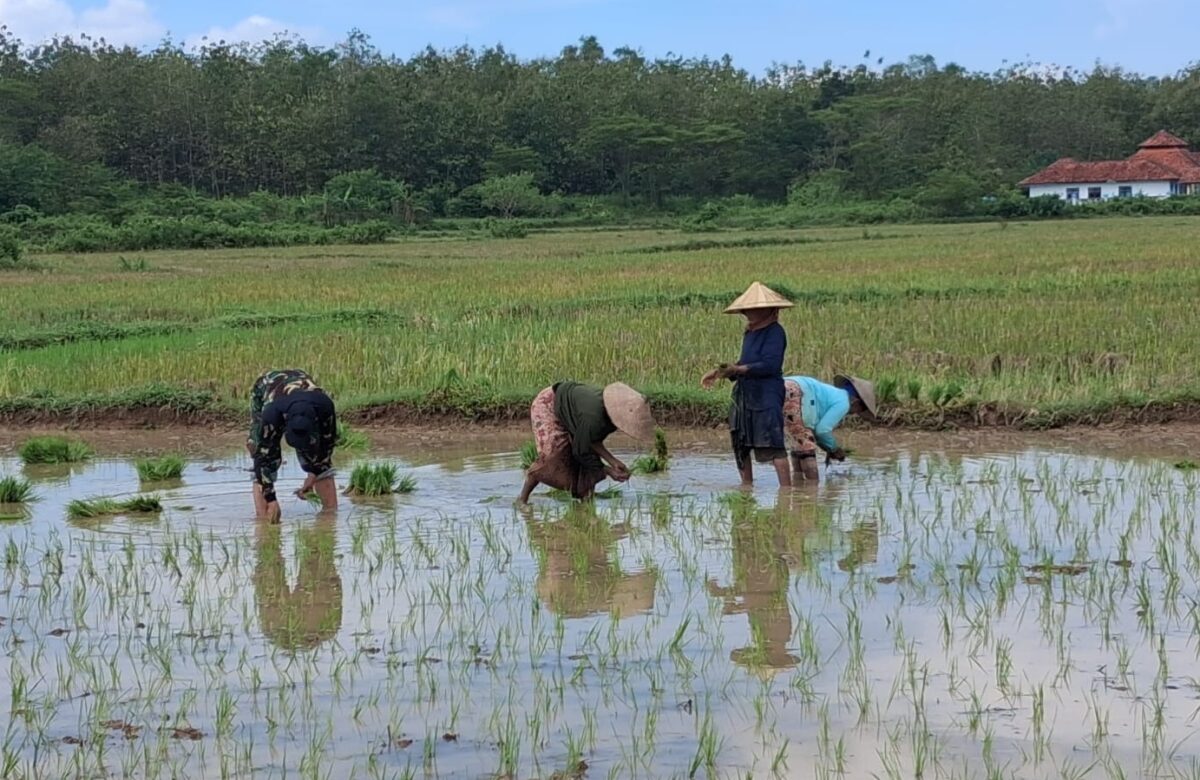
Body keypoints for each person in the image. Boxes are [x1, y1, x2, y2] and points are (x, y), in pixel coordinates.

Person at [701, 282, 793, 487]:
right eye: (747, 309)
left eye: (754, 309)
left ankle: (787, 492)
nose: (748, 313)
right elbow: (745, 362)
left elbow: (770, 365)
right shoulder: (749, 333)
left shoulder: (775, 332)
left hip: (766, 393)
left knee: (773, 442)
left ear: (768, 310)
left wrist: (738, 369)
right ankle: (746, 487)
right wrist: (720, 372)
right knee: (740, 441)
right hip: (744, 394)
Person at [517, 381, 657, 505]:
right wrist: (607, 470)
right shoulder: (593, 417)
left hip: (572, 414)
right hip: (548, 406)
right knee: (553, 457)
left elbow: (591, 440)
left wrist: (613, 461)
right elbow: (580, 450)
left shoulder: (608, 419)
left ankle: (584, 505)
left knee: (589, 462)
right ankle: (523, 498)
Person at [247, 369, 338, 522]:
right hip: (267, 387)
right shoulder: (271, 414)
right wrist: (271, 499)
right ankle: (265, 519)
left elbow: (326, 447)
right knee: (261, 454)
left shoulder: (325, 407)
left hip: (303, 388)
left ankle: (330, 517)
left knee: (319, 460)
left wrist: (313, 474)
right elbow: (262, 460)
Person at [782, 374, 877, 481]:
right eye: (859, 410)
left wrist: (827, 447)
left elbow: (817, 432)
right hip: (798, 391)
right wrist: (834, 449)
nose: (854, 413)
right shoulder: (844, 402)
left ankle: (798, 484)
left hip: (783, 385)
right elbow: (822, 430)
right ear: (856, 402)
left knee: (798, 442)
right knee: (806, 446)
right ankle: (812, 487)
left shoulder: (833, 394)